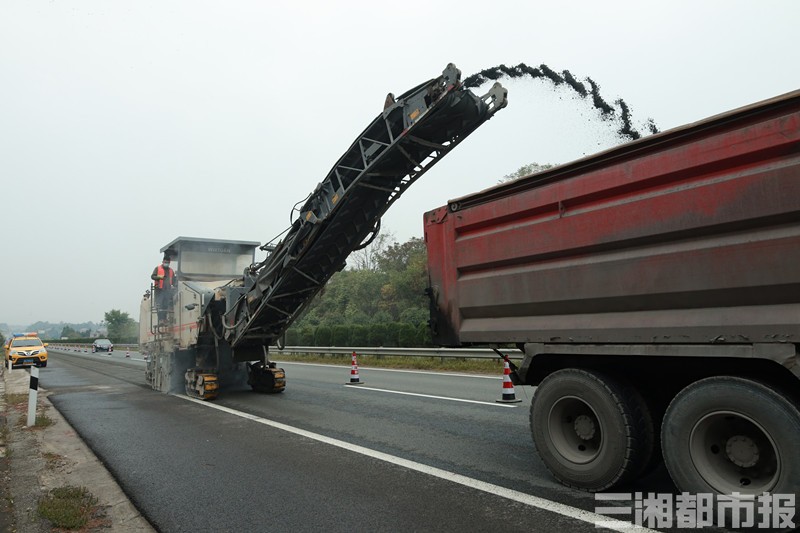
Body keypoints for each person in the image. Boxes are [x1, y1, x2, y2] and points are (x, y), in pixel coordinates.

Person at [151, 255, 175, 323]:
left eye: (167, 262)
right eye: (165, 262)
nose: (166, 263)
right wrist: (160, 277)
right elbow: (153, 276)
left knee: (165, 305)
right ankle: (160, 319)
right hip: (159, 290)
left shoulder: (171, 271)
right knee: (159, 305)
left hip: (167, 290)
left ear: (169, 263)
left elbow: (173, 280)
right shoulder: (157, 268)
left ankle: (164, 319)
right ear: (163, 261)